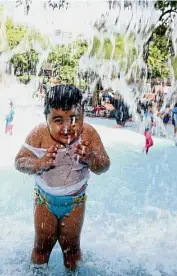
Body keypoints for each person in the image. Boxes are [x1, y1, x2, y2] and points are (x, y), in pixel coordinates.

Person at [15, 84, 110, 272]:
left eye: (75, 119)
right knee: (42, 247)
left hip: (75, 202)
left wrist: (91, 158)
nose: (67, 127)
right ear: (46, 119)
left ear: (84, 115)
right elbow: (19, 161)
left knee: (72, 250)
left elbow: (104, 165)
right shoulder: (39, 134)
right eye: (58, 120)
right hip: (45, 202)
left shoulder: (88, 134)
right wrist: (38, 164)